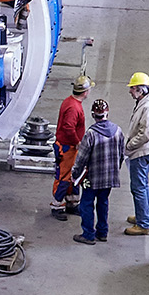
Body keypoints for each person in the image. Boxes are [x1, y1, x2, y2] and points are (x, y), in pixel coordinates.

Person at [69, 95, 124, 245]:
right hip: (109, 179)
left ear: (93, 115)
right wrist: (115, 171)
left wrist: (74, 174)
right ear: (107, 113)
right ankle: (102, 232)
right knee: (103, 202)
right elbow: (121, 155)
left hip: (91, 179)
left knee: (86, 204)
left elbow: (82, 158)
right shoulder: (118, 131)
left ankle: (88, 234)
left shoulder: (91, 134)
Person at [123, 70, 149, 236]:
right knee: (142, 186)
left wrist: (130, 146)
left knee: (138, 187)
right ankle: (142, 216)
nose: (130, 91)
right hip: (144, 150)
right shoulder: (146, 101)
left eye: (133, 88)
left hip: (141, 152)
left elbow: (146, 134)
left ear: (141, 89)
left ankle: (144, 224)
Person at [50, 76, 89, 219]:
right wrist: (77, 142)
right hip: (67, 148)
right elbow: (68, 127)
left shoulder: (71, 102)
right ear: (85, 92)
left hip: (70, 147)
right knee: (64, 177)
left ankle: (72, 202)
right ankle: (57, 205)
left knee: (74, 176)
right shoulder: (73, 107)